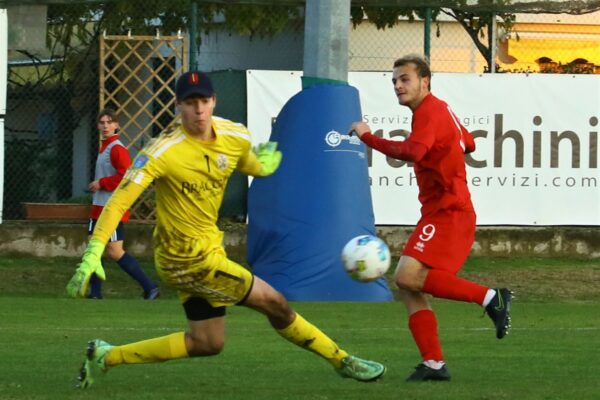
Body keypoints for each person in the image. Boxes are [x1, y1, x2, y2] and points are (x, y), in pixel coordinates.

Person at [66, 71, 386, 388]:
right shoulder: (161, 151)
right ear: (178, 105)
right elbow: (119, 200)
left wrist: (263, 165)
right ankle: (342, 360)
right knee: (275, 302)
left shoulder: (234, 136)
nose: (199, 109)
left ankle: (106, 357)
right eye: (191, 102)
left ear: (214, 101)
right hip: (186, 259)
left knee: (207, 342)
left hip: (209, 250)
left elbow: (247, 163)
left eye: (204, 100)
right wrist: (94, 251)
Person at [349, 55, 512, 382]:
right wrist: (448, 149)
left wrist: (367, 136)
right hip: (445, 210)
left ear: (425, 81)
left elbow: (413, 151)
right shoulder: (441, 110)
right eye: (394, 80)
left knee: (407, 278)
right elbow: (468, 141)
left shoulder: (429, 113)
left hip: (449, 211)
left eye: (405, 79)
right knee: (409, 285)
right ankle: (434, 363)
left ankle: (491, 297)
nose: (398, 85)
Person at [86, 108, 159, 300]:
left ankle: (150, 287)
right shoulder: (104, 147)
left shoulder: (117, 148)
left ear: (117, 125)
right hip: (98, 206)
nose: (105, 126)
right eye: (102, 123)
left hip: (111, 208)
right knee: (93, 249)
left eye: (109, 122)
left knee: (115, 251)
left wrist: (101, 183)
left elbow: (126, 176)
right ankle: (95, 294)